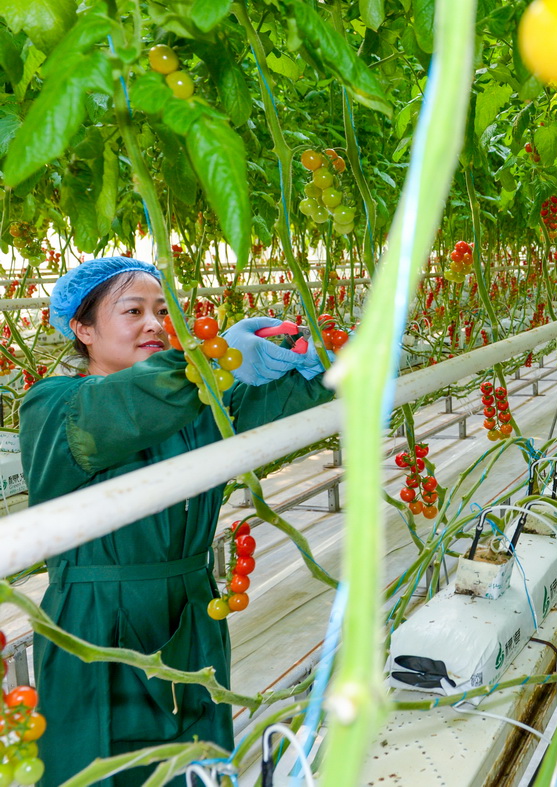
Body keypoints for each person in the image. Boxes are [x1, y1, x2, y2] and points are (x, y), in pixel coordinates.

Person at [19, 257, 335, 786]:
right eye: (134, 310)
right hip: (97, 614)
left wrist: (320, 367)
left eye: (163, 312)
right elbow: (121, 410)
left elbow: (264, 406)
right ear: (83, 328)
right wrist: (210, 364)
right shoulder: (56, 406)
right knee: (101, 760)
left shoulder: (194, 400)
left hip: (192, 605)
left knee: (198, 747)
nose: (155, 324)